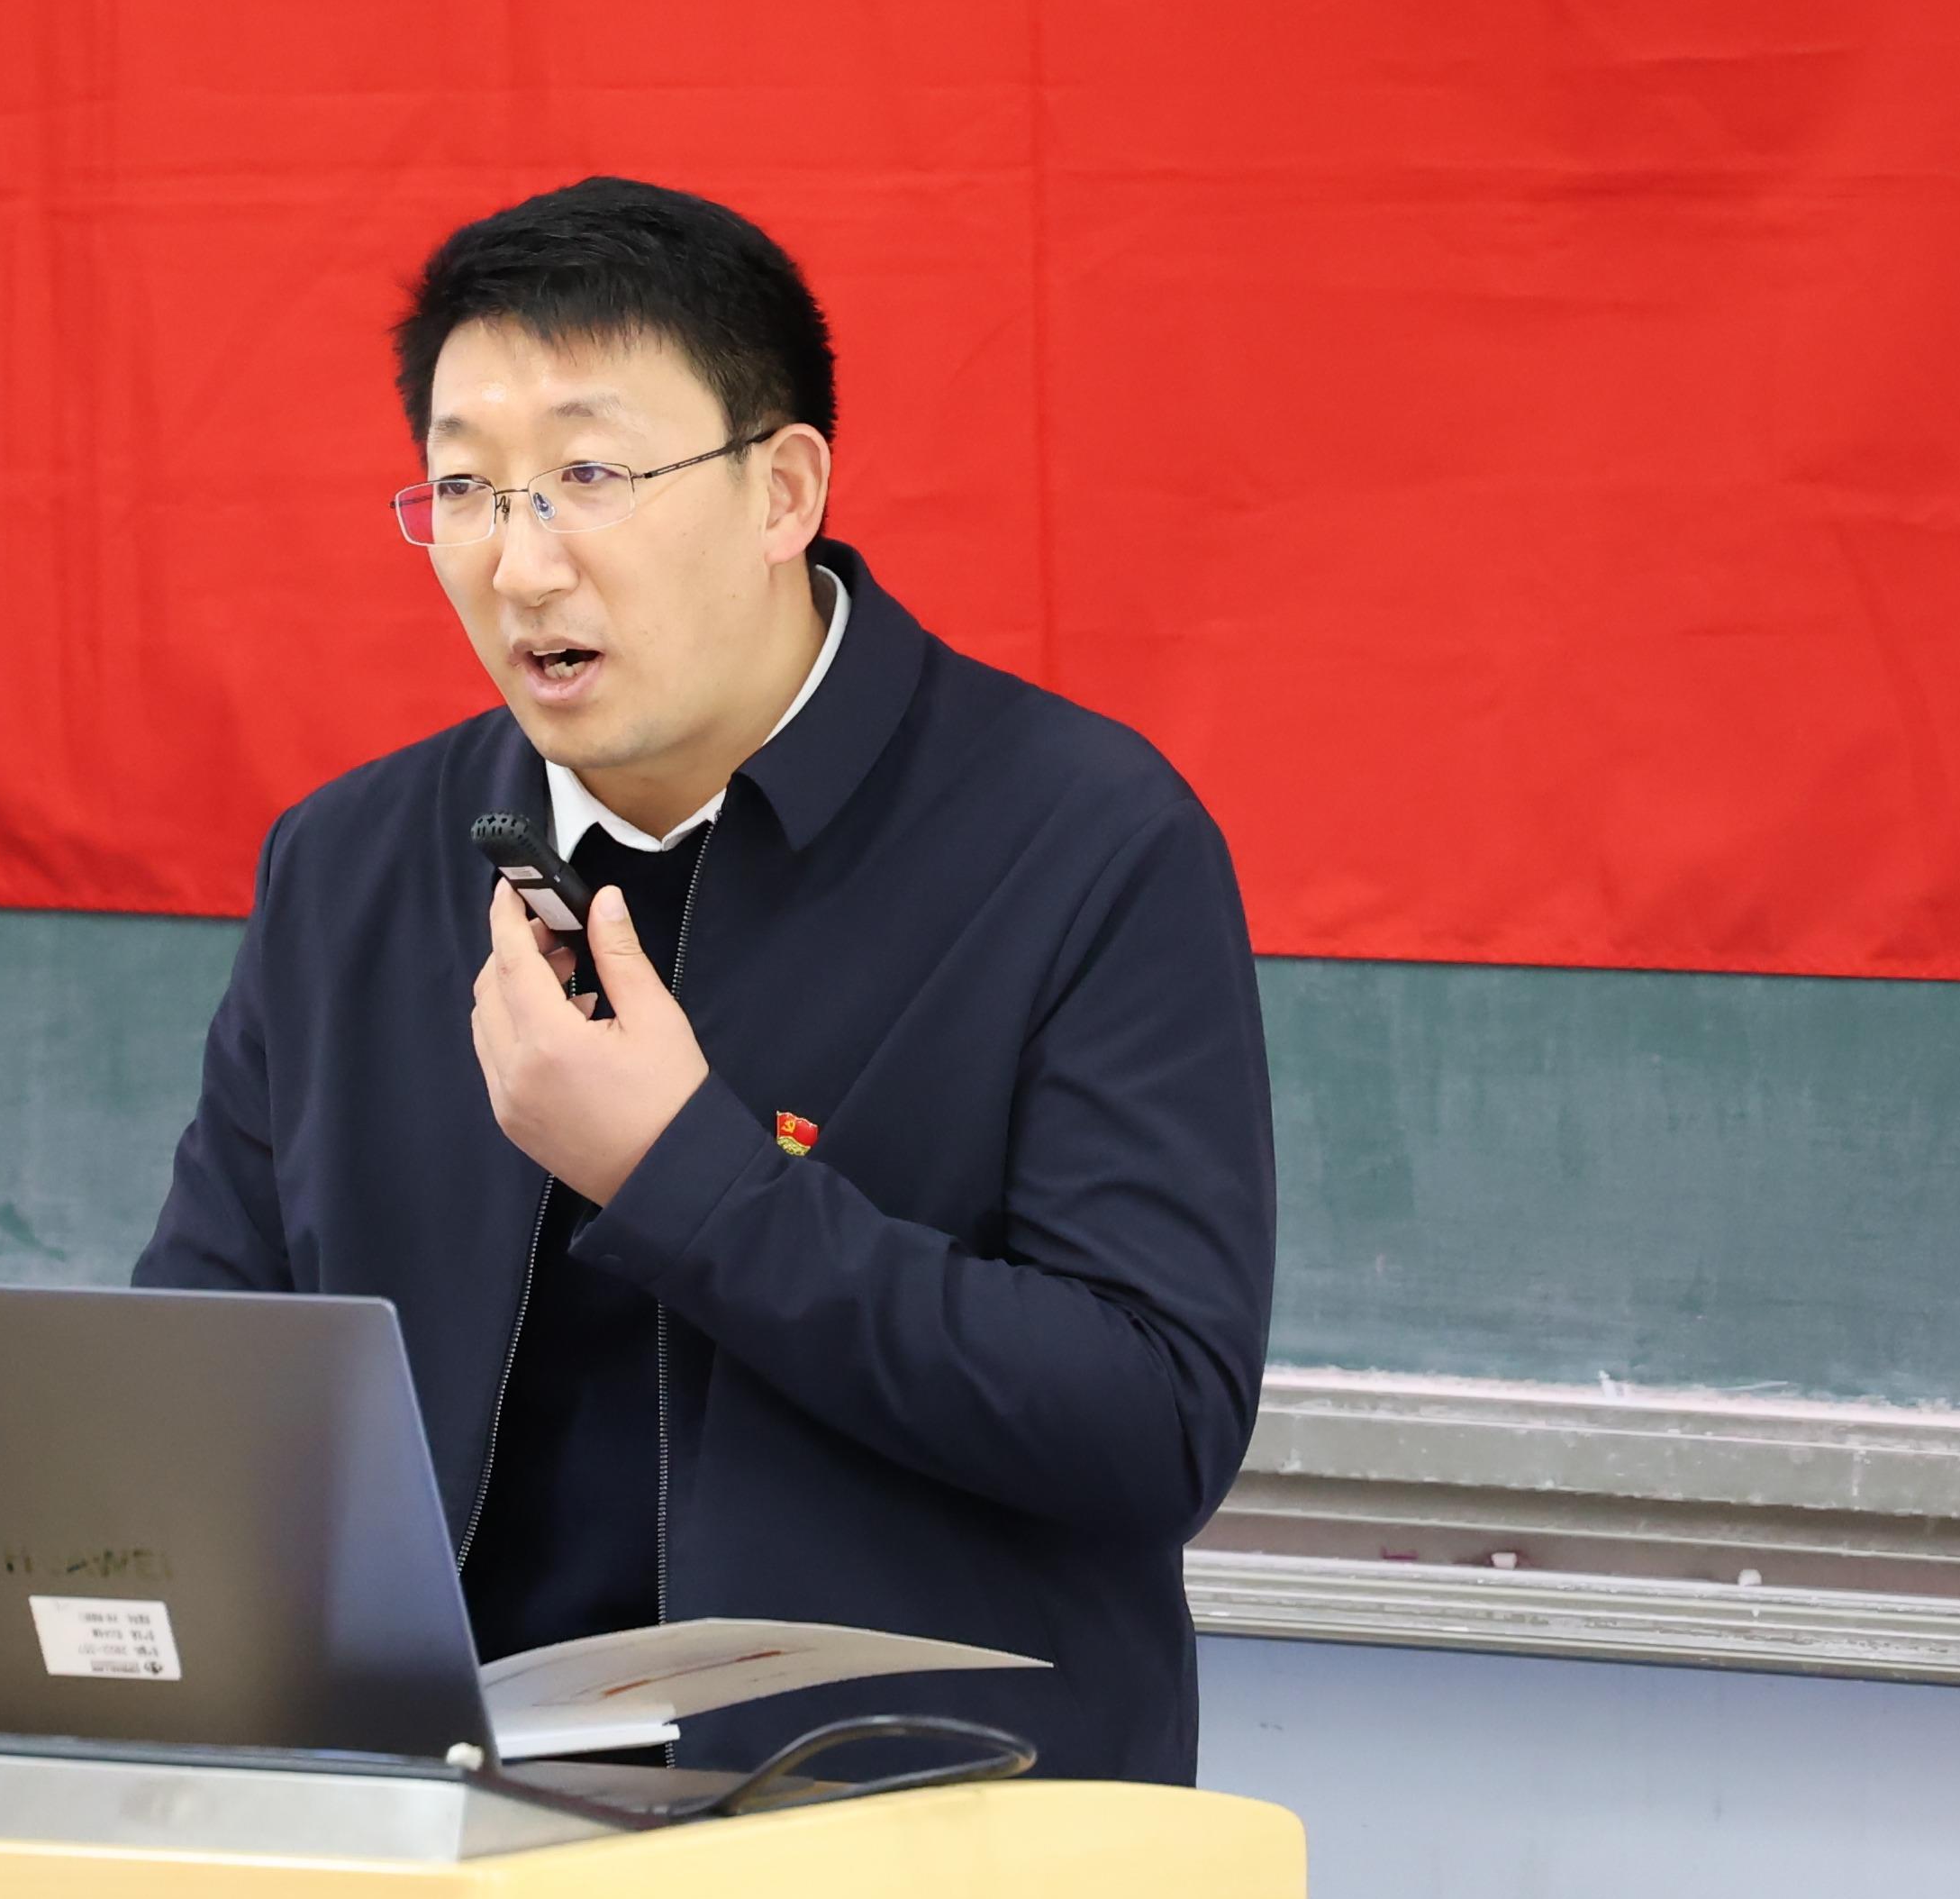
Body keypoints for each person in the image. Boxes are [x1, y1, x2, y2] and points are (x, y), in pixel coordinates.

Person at [135, 177, 1275, 1784]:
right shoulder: (353, 863)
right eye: (465, 489)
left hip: (908, 1829)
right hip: (432, 1822)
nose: (521, 564)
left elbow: (1152, 1425)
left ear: (781, 490)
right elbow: (193, 1386)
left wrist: (685, 1175)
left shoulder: (1084, 840)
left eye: (588, 477)